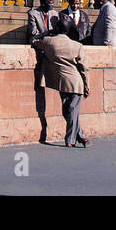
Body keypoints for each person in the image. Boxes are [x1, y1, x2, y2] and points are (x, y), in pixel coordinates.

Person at [34, 19, 91, 148]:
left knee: (69, 111)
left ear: (56, 28)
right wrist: (87, 86)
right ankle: (80, 137)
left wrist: (47, 32)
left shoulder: (48, 42)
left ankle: (72, 139)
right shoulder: (77, 46)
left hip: (61, 82)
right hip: (76, 83)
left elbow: (34, 41)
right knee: (70, 111)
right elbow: (84, 69)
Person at [27, 0, 59, 143]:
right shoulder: (33, 14)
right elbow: (33, 34)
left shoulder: (55, 14)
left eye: (53, 3)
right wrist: (48, 33)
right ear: (42, 3)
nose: (52, 5)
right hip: (39, 45)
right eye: (49, 3)